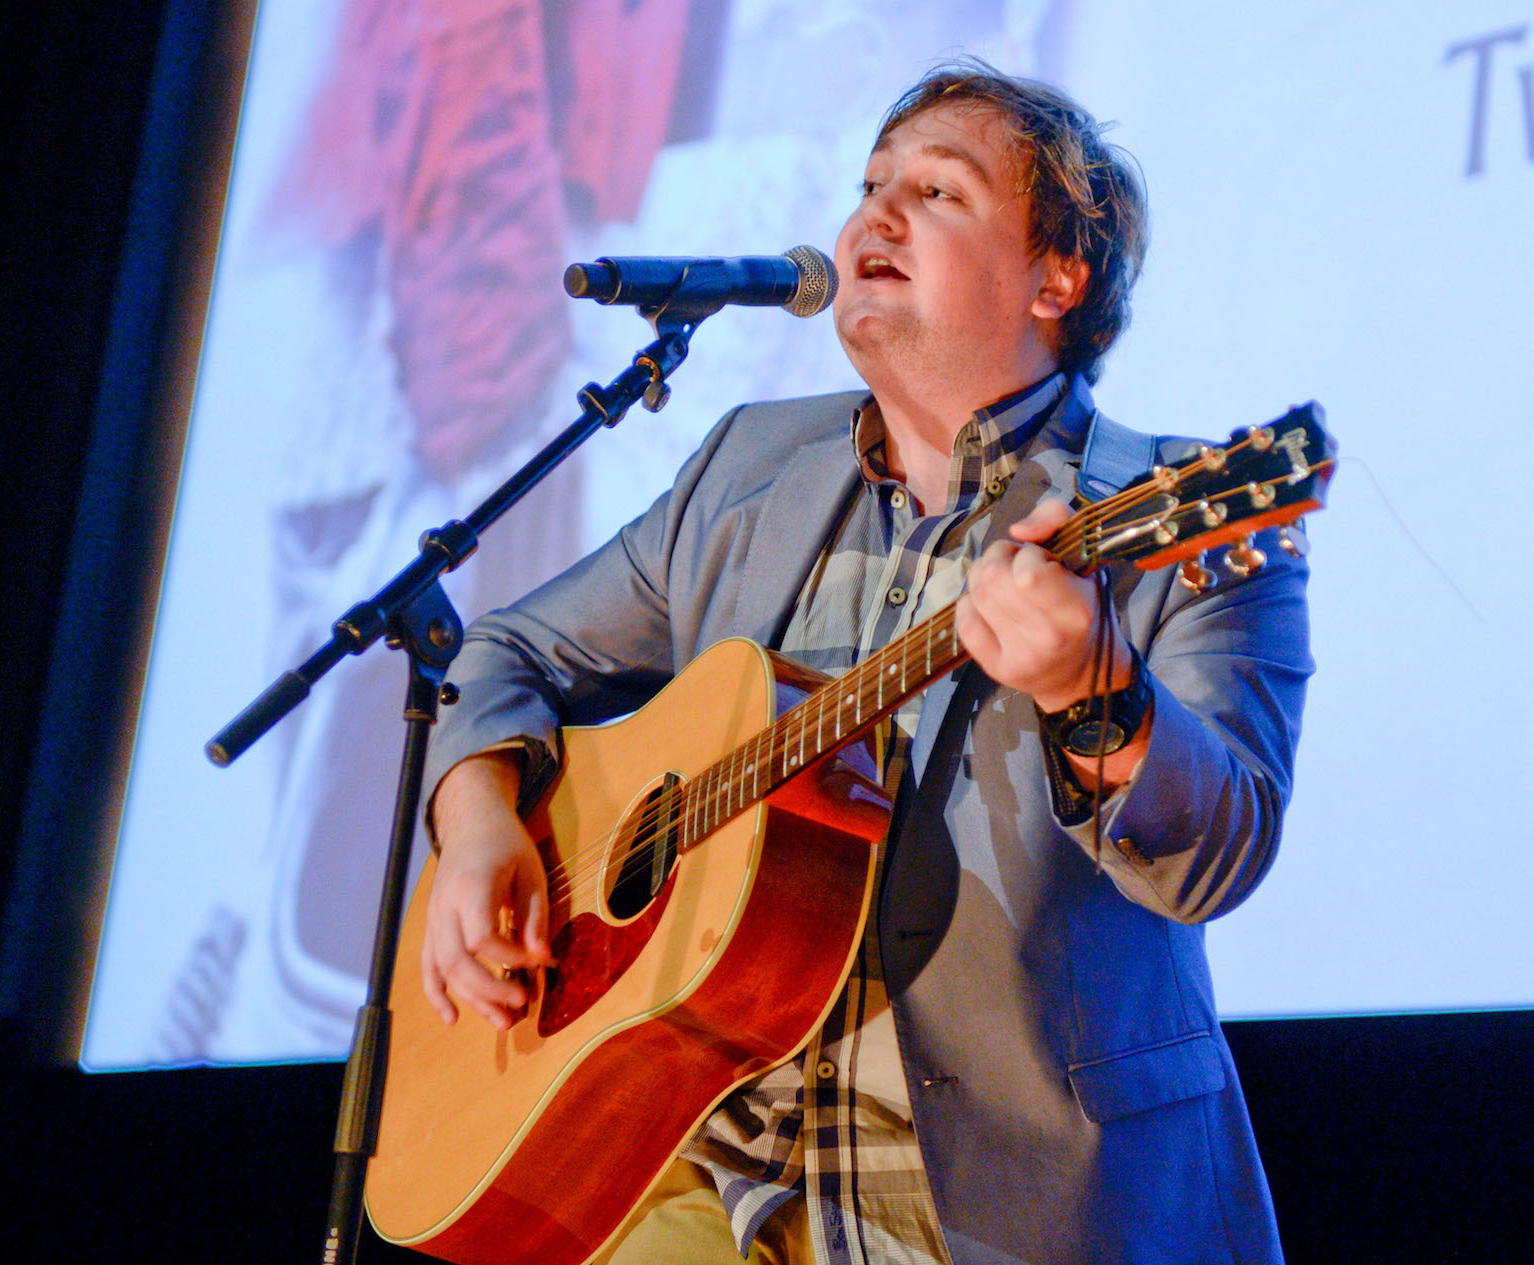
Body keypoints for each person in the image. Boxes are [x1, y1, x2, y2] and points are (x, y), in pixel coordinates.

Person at [418, 62, 1311, 1265]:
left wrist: (1089, 690)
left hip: (1020, 1200)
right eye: (871, 184)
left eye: (938, 193)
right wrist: (478, 819)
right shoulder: (747, 469)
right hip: (703, 1164)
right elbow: (506, 646)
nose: (873, 219)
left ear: (1058, 276)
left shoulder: (1169, 512)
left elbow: (1221, 846)